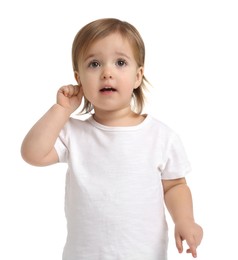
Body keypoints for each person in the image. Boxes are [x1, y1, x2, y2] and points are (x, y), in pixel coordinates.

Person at [21, 18, 203, 260]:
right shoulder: (73, 133)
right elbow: (32, 154)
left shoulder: (160, 137)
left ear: (138, 77)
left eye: (120, 62)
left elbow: (175, 185)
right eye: (94, 64)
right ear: (79, 79)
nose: (107, 72)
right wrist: (61, 109)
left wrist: (185, 220)